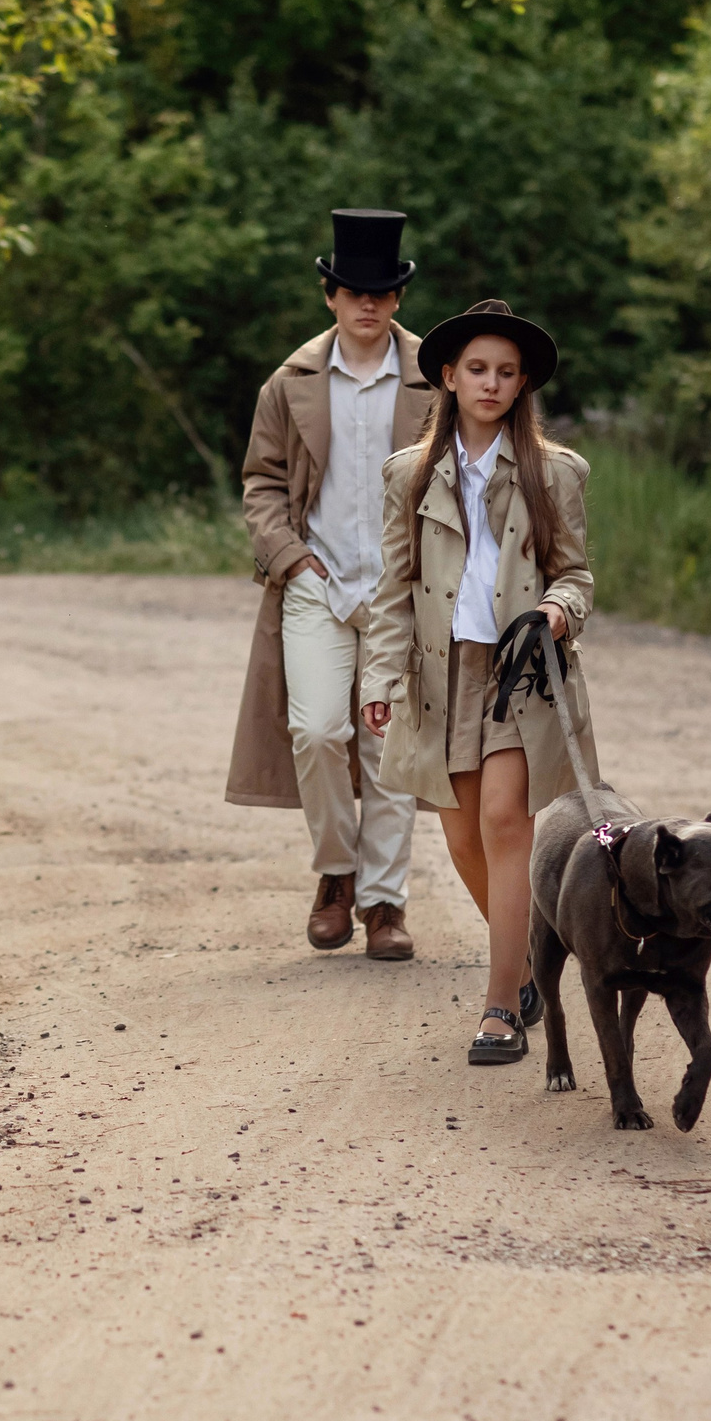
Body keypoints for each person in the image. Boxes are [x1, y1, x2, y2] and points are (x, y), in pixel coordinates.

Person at [362, 299, 600, 1063]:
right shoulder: (409, 474)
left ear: (522, 381)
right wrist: (380, 677)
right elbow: (393, 588)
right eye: (477, 370)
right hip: (441, 672)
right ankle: (530, 965)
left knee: (505, 821)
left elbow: (576, 576)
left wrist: (557, 614)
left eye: (505, 372)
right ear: (448, 377)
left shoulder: (554, 472)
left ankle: (501, 1007)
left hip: (523, 669)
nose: (491, 383)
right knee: (462, 836)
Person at [225, 210, 440, 959]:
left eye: (382, 291)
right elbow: (262, 483)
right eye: (354, 290)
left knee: (388, 747)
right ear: (330, 296)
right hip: (314, 580)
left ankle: (385, 904)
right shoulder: (288, 384)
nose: (368, 303)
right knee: (316, 731)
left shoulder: (431, 380)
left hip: (398, 590)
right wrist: (291, 557)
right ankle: (336, 875)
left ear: (399, 299)